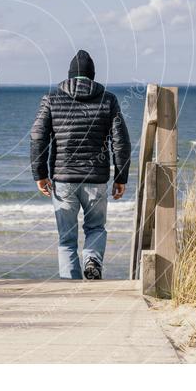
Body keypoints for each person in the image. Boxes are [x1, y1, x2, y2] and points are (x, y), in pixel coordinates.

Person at [29, 50, 132, 280]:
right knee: (95, 228)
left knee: (66, 239)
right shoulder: (108, 99)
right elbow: (121, 141)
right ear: (92, 76)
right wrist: (121, 177)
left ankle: (70, 286)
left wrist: (40, 174)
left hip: (63, 180)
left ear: (69, 76)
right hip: (96, 180)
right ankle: (92, 260)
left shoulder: (51, 99)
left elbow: (37, 137)